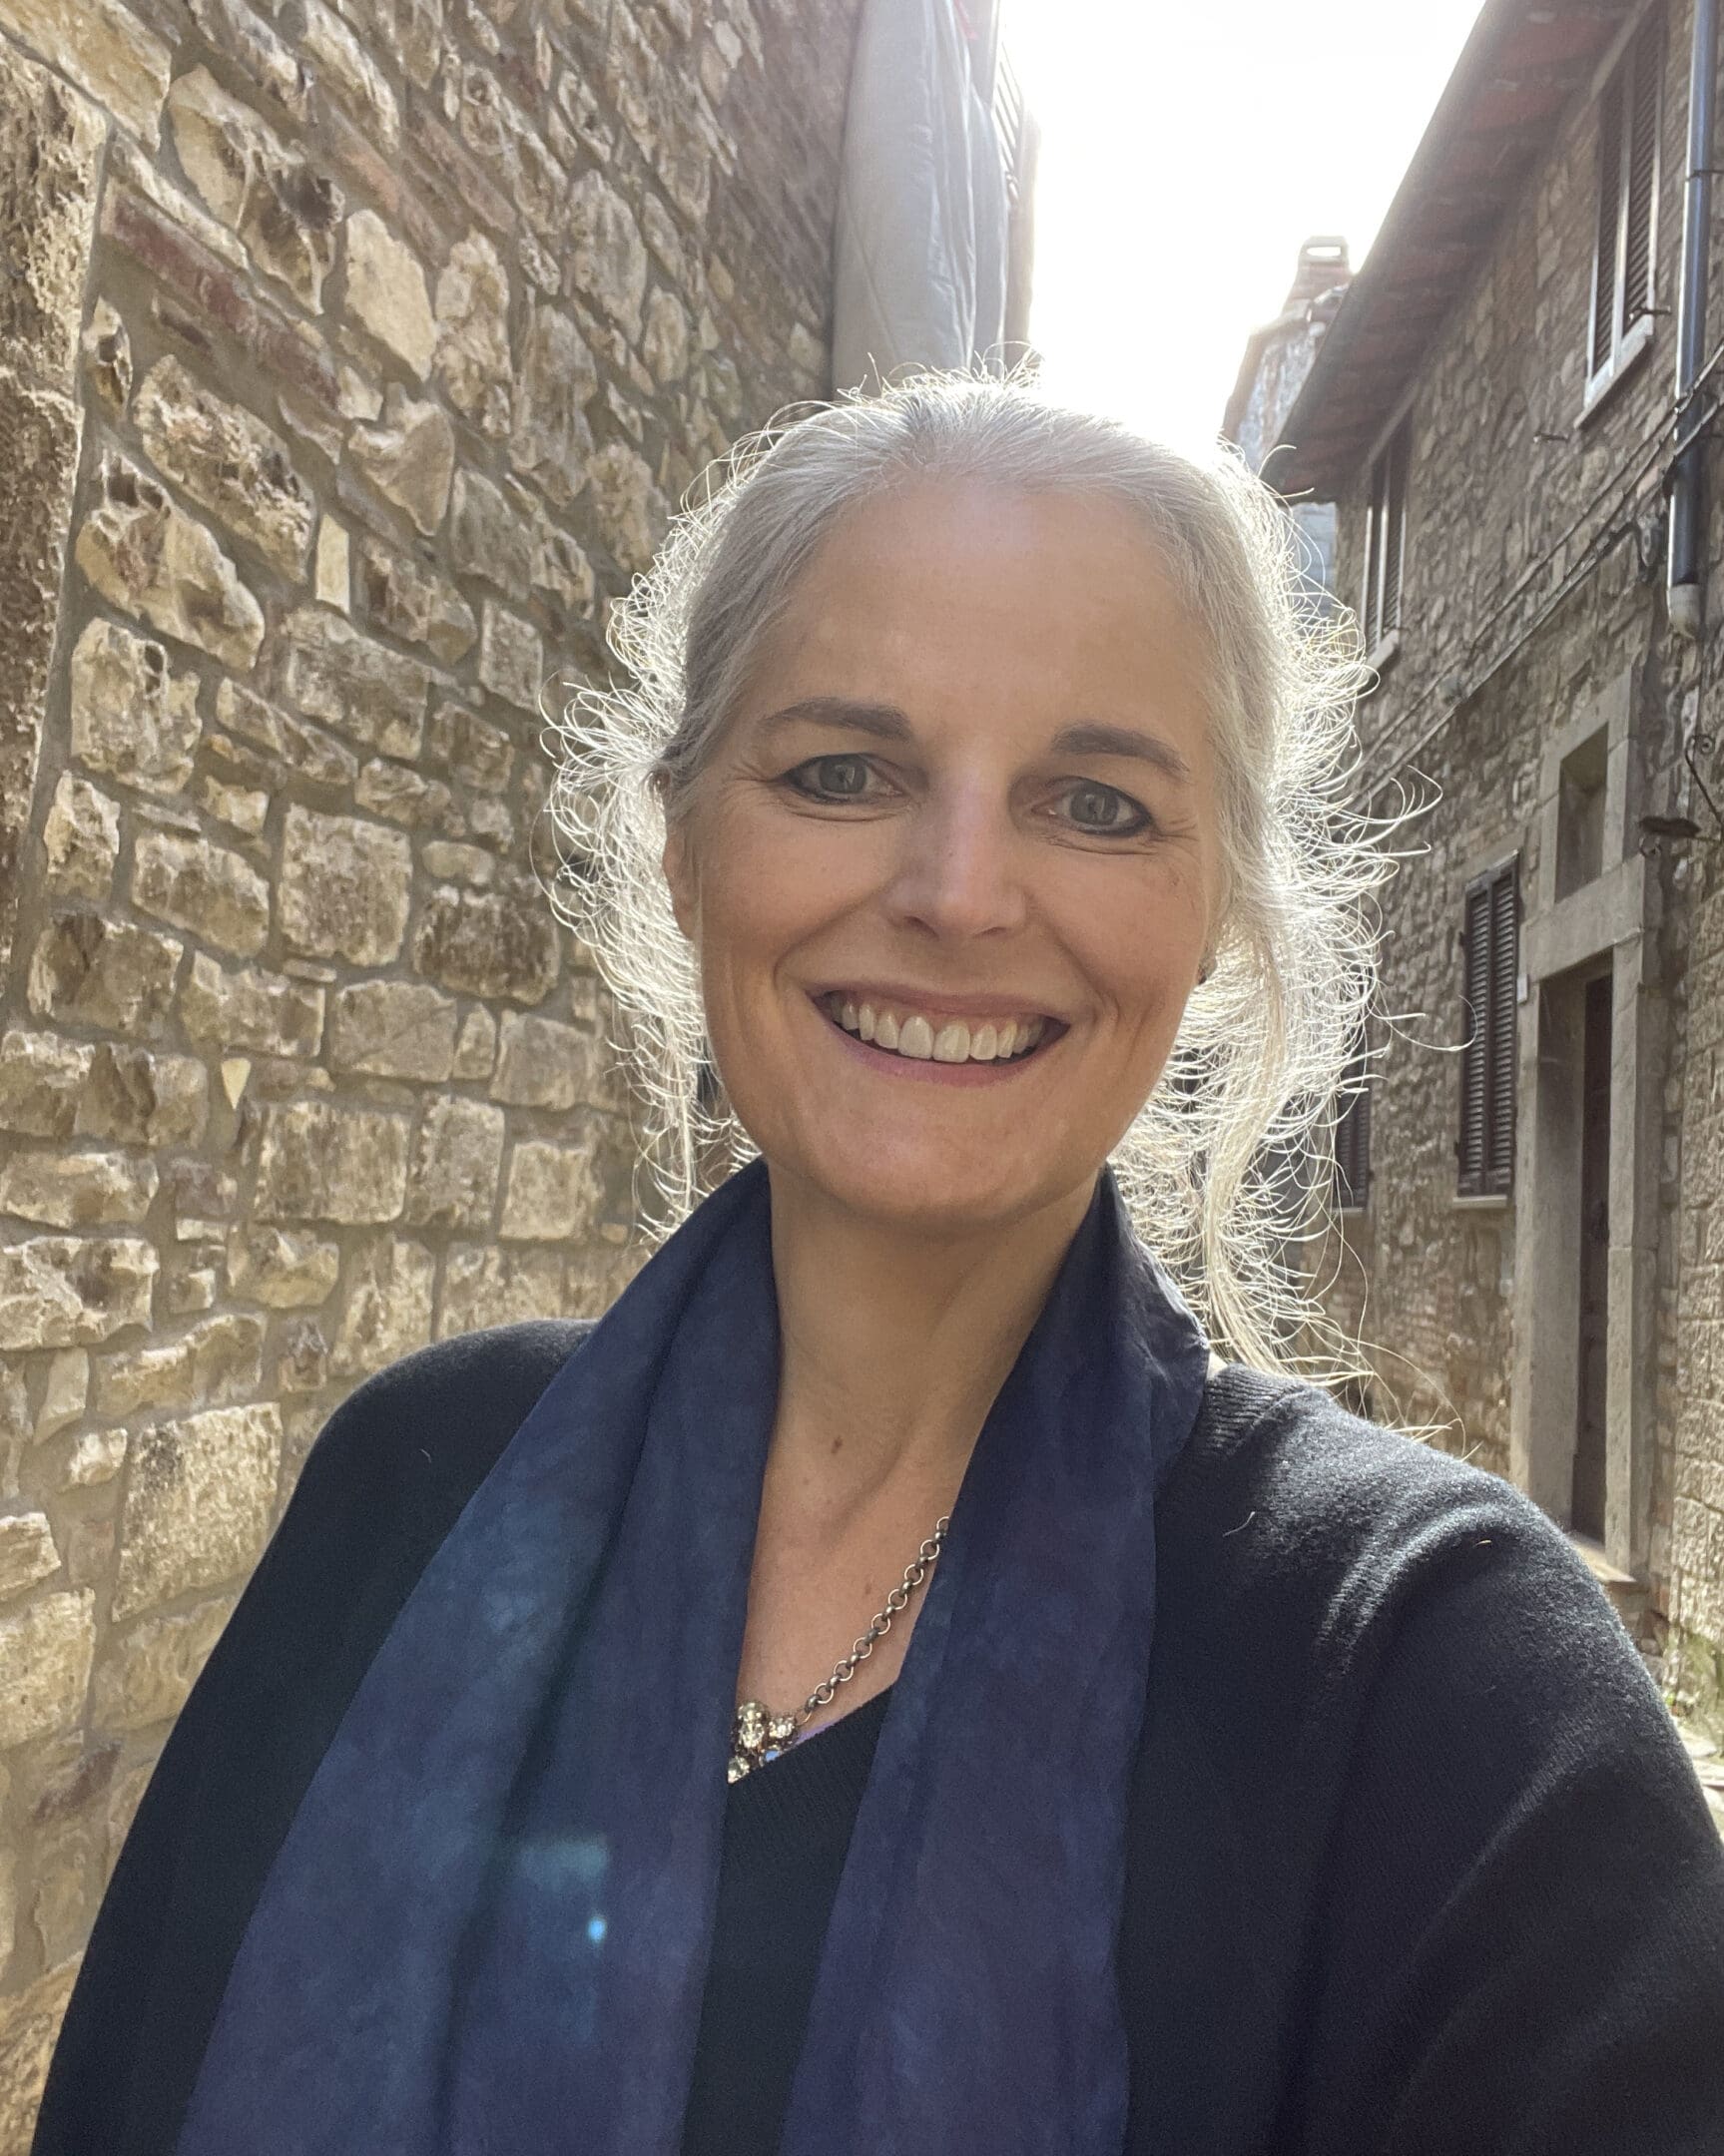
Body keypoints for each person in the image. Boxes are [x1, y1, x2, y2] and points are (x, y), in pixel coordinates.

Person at [33, 370, 1724, 2156]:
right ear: (686, 847)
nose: (961, 889)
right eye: (845, 772)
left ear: (1215, 904)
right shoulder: (409, 1491)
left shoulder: (1442, 1696)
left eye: (1093, 803)